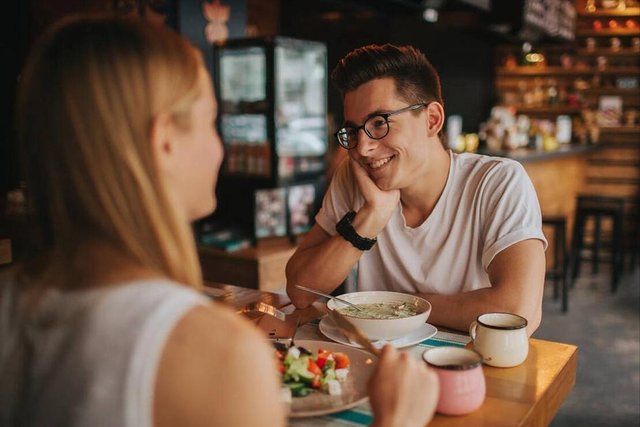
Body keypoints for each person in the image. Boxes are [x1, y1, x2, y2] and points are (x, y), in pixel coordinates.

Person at [0, 17, 438, 427]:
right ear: (164, 143)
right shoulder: (218, 355)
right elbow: (300, 289)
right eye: (213, 122)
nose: (222, 149)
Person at [286, 44, 547, 337]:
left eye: (379, 123)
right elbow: (300, 292)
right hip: (374, 364)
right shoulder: (355, 176)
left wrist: (393, 311)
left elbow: (518, 312)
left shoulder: (496, 182)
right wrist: (370, 219)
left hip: (467, 367)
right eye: (354, 131)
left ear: (432, 120)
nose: (363, 147)